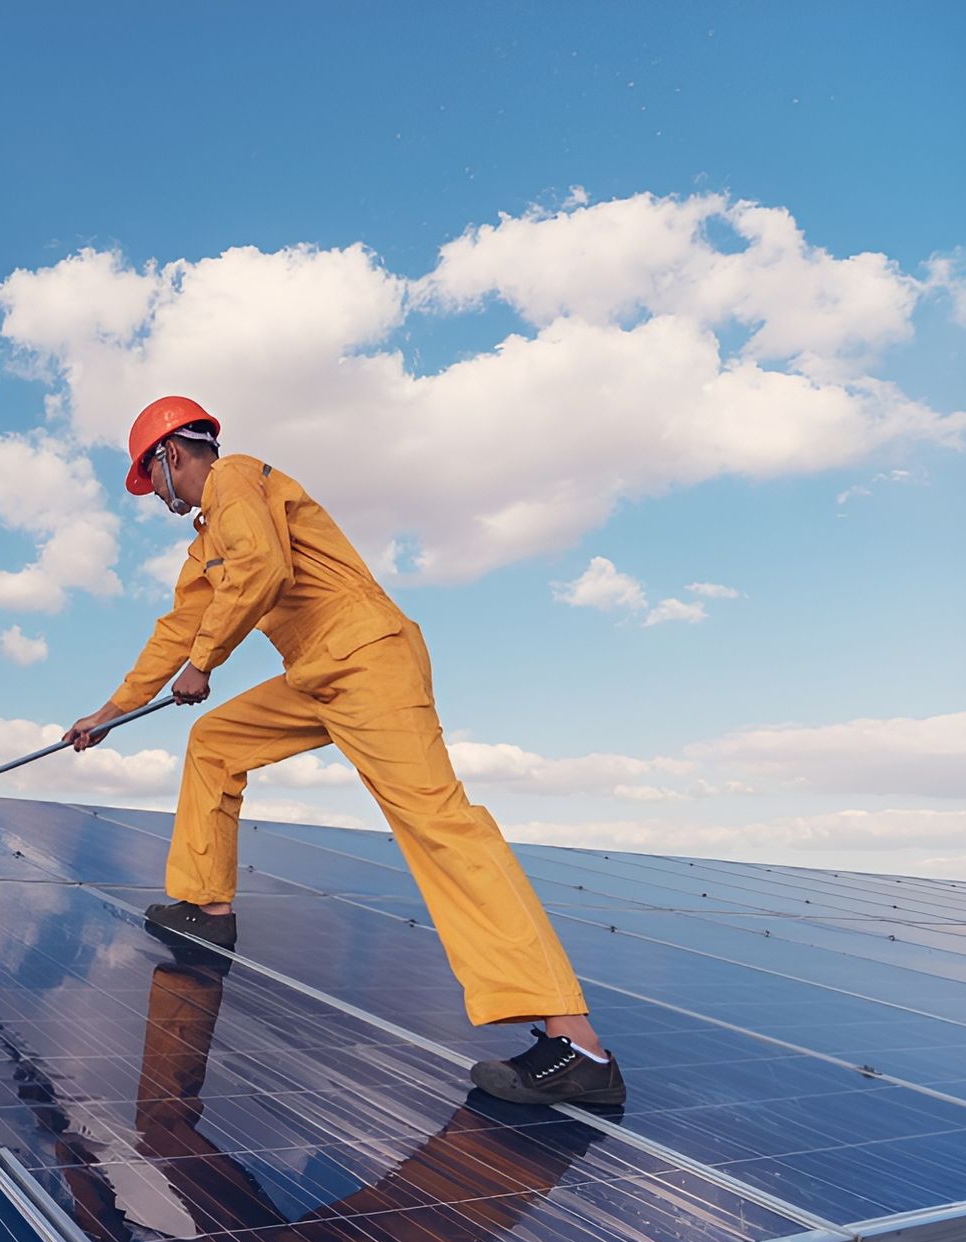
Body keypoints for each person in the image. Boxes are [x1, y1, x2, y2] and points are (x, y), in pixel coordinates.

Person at [64, 395, 625, 1107]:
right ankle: (206, 906)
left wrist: (206, 660)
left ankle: (579, 1045)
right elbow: (179, 628)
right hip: (320, 672)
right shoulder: (208, 541)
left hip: (367, 657)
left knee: (440, 824)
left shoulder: (238, 478)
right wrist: (110, 713)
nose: (157, 497)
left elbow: (260, 568)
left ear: (170, 457)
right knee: (215, 740)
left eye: (152, 481)